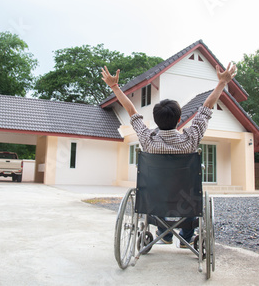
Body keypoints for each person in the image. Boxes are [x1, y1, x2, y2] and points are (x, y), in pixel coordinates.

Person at [101, 62, 237, 247]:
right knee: (191, 194)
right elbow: (206, 109)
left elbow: (131, 111)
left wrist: (114, 87)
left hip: (154, 201)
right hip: (186, 202)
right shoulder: (191, 140)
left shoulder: (148, 140)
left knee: (154, 192)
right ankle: (186, 238)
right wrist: (221, 82)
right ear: (180, 119)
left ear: (155, 121)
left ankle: (163, 234)